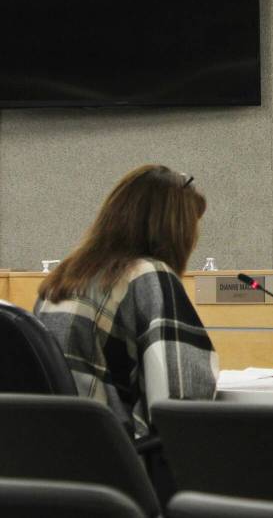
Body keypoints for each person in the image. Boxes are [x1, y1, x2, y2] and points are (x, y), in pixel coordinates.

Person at [35, 165, 218, 438]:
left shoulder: (61, 280)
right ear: (174, 230)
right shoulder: (147, 275)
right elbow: (184, 398)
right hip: (119, 452)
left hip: (57, 449)